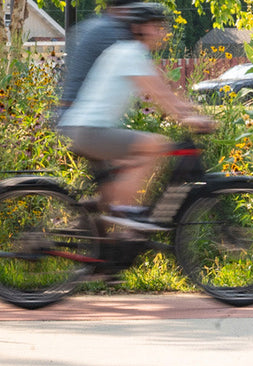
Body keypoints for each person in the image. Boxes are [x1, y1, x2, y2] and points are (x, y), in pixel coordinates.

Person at [55, 2, 216, 233]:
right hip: (89, 130)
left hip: (83, 128)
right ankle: (129, 213)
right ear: (141, 28)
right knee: (154, 145)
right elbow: (160, 96)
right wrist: (187, 118)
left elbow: (165, 92)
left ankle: (104, 258)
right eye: (157, 26)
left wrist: (192, 112)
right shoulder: (130, 53)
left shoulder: (131, 52)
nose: (162, 32)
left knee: (117, 186)